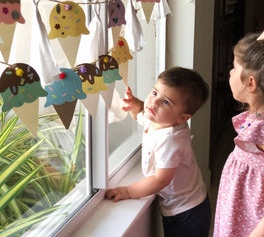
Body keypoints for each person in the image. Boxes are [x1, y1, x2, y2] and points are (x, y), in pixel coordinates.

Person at [106, 66, 211, 237]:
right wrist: (133, 103)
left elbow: (160, 179)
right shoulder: (161, 119)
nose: (154, 102)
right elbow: (141, 111)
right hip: (180, 206)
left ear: (182, 118)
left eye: (166, 102)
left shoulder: (170, 139)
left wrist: (128, 191)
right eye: (155, 93)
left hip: (188, 211)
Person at [213, 32, 264, 237]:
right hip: (237, 208)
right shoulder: (256, 116)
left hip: (252, 221)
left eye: (234, 67)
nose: (231, 73)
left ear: (250, 83)